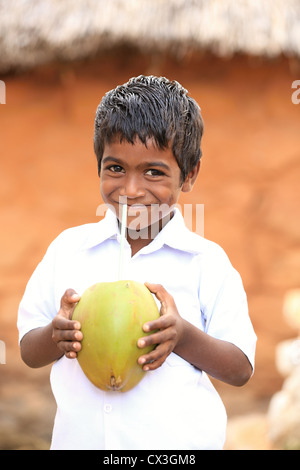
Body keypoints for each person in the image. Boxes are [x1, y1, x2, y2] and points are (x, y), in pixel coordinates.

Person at [17, 75, 256, 450]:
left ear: (189, 174)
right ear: (98, 165)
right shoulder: (68, 251)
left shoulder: (206, 263)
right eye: (115, 168)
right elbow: (29, 351)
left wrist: (182, 336)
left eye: (153, 172)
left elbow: (240, 368)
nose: (130, 189)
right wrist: (56, 335)